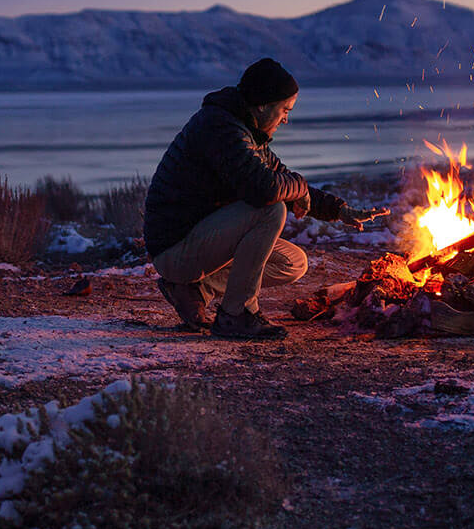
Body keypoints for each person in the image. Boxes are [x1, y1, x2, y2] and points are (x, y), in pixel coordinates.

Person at [144, 57, 385, 340]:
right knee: (269, 211)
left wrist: (339, 210)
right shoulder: (221, 129)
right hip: (175, 249)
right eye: (284, 110)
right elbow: (265, 190)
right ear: (262, 104)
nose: (286, 119)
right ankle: (237, 315)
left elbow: (282, 177)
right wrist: (299, 189)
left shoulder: (245, 131)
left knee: (292, 263)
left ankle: (196, 289)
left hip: (199, 242)